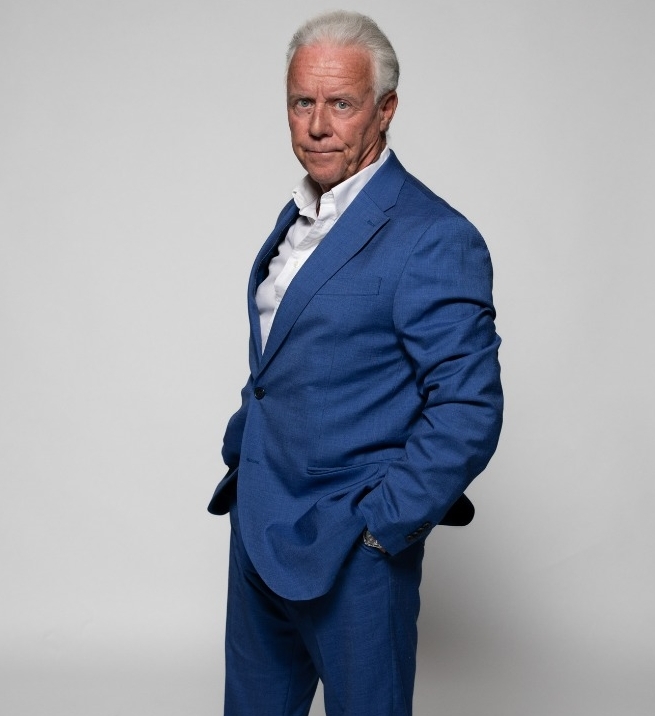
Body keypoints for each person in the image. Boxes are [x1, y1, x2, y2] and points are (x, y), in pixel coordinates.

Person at [208, 10, 503, 716]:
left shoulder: (433, 236)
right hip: (259, 531)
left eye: (340, 103)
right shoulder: (298, 218)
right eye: (301, 102)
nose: (316, 125)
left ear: (385, 109)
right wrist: (246, 466)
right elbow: (281, 365)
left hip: (352, 551)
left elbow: (469, 407)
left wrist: (380, 530)